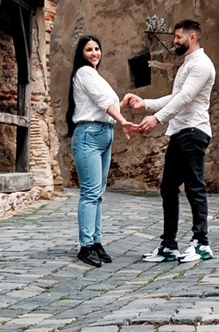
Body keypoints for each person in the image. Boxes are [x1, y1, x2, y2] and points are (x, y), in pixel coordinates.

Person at [124, 18, 215, 262]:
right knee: (168, 188)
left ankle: (201, 243)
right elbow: (175, 96)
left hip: (193, 131)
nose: (174, 41)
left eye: (178, 37)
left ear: (192, 37)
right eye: (175, 37)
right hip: (179, 132)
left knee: (194, 186)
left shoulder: (202, 64)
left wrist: (157, 119)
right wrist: (147, 104)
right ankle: (169, 245)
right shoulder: (188, 64)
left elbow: (185, 98)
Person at [66, 33, 138, 265]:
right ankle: (86, 246)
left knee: (98, 194)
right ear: (81, 54)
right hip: (89, 135)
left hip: (103, 134)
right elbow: (102, 103)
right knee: (89, 193)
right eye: (89, 50)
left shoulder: (95, 75)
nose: (95, 53)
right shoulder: (84, 72)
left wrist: (123, 103)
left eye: (97, 49)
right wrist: (123, 121)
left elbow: (108, 104)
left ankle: (96, 242)